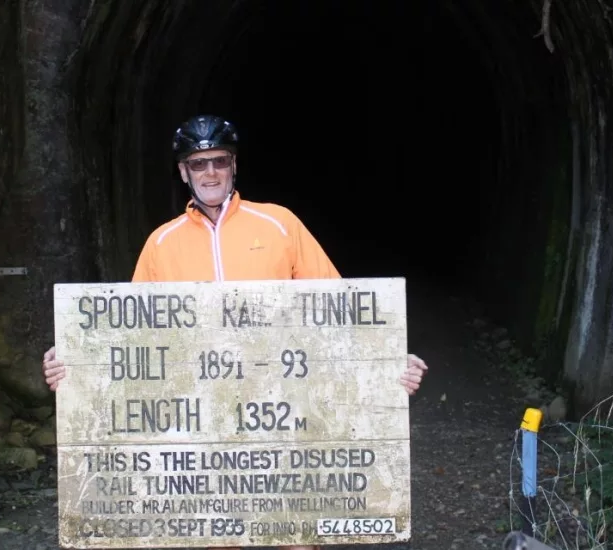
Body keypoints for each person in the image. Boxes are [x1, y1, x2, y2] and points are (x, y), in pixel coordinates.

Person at [41, 115, 429, 550]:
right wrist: (76, 362)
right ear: (183, 172)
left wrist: (388, 361)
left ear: (234, 166)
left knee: (292, 533)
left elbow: (337, 312)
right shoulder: (161, 244)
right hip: (197, 423)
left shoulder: (280, 225)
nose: (210, 173)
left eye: (219, 161)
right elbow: (133, 338)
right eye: (198, 163)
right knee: (209, 535)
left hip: (283, 414)